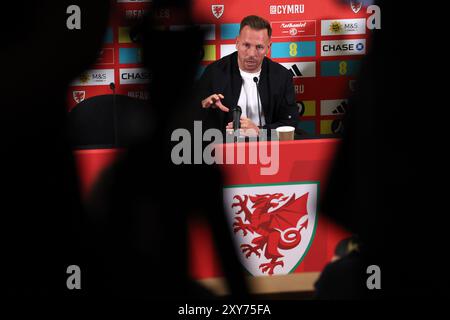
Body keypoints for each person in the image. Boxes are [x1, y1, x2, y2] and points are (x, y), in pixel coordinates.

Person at [197, 15, 298, 136]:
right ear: (237, 43)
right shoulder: (214, 72)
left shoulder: (282, 76)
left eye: (259, 47)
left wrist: (261, 132)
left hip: (267, 146)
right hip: (224, 146)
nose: (251, 54)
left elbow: (290, 122)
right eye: (246, 45)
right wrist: (203, 106)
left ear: (268, 48)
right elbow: (190, 116)